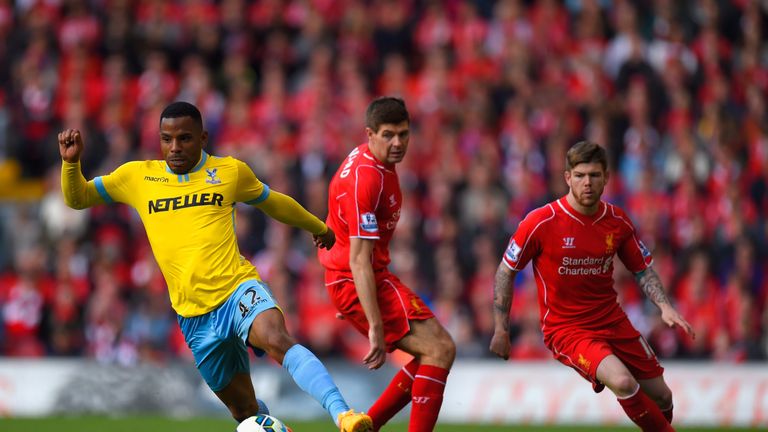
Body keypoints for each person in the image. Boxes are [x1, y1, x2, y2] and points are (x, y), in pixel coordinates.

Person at [57, 101, 373, 432]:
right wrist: (71, 164)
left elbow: (272, 201)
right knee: (246, 413)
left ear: (203, 137)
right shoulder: (137, 176)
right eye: (167, 139)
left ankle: (343, 414)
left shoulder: (229, 171)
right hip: (194, 317)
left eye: (184, 139)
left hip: (237, 289)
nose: (174, 148)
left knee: (276, 337)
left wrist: (318, 227)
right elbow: (78, 198)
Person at [490, 140, 695, 432]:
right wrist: (501, 329)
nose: (588, 182)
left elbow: (642, 268)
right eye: (581, 175)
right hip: (568, 329)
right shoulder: (541, 222)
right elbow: (504, 271)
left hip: (613, 320)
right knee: (623, 381)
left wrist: (665, 306)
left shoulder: (617, 221)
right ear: (567, 178)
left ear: (606, 178)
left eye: (595, 175)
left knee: (663, 396)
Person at [318, 96, 456, 431]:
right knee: (439, 349)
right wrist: (373, 325)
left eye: (404, 134)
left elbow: (337, 228)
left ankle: (368, 426)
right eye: (388, 135)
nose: (398, 143)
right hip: (358, 277)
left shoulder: (371, 163)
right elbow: (359, 260)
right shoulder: (365, 179)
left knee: (437, 350)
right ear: (370, 134)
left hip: (359, 278)